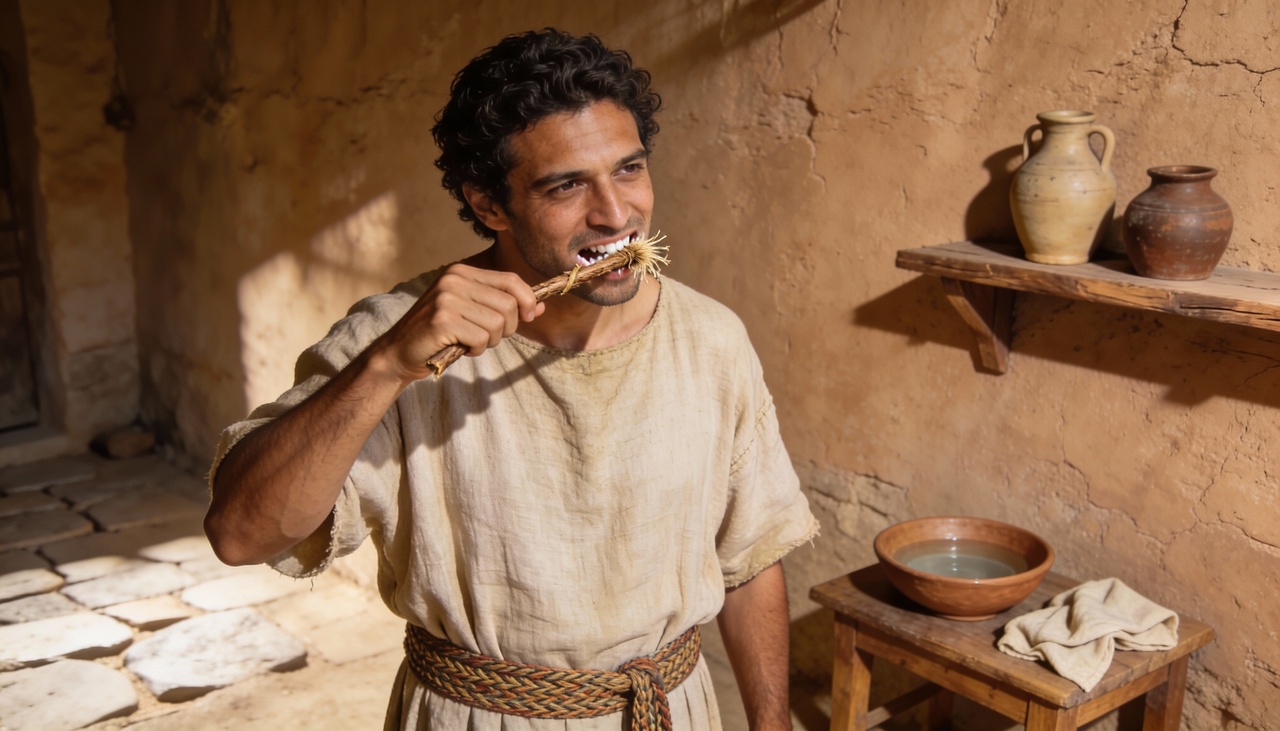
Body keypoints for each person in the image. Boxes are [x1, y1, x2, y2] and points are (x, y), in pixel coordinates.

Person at [205, 28, 818, 731]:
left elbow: (750, 560)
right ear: (489, 204)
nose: (616, 214)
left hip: (670, 712)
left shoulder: (712, 339)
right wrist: (387, 365)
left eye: (628, 169)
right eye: (566, 186)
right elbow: (240, 533)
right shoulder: (398, 339)